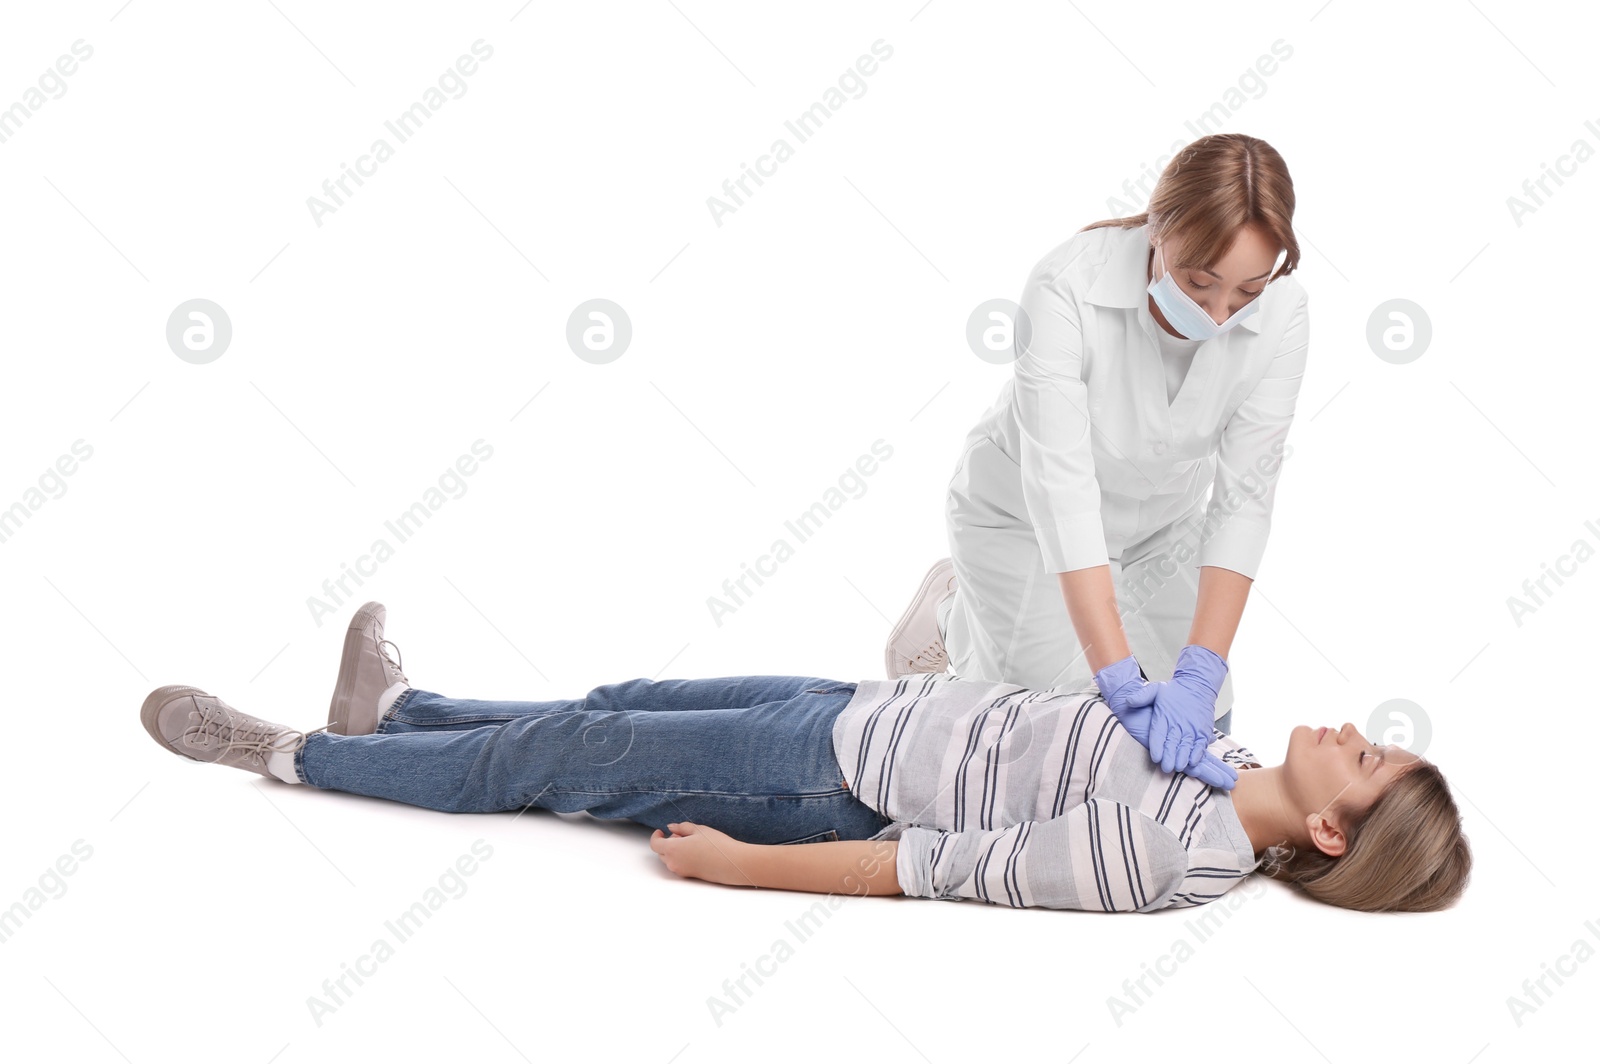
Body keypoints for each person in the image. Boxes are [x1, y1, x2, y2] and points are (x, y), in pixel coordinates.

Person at [140, 602, 1470, 913]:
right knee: (614, 702)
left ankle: (289, 755)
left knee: (559, 758)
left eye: (1369, 763)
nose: (1354, 735)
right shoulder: (1219, 756)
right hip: (862, 709)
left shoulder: (1171, 853)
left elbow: (947, 867)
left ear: (1335, 834)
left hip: (822, 782)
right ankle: (406, 714)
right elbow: (1046, 729)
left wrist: (741, 868)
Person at [888, 134, 1310, 778]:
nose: (1221, 315)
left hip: (1160, 526)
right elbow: (1063, 493)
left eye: (1246, 292)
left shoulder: (1285, 312)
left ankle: (987, 616)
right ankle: (955, 619)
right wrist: (1113, 676)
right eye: (1200, 283)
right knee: (1055, 730)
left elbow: (1244, 498)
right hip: (1024, 520)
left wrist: (1201, 672)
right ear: (1159, 230)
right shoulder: (1066, 286)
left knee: (1210, 725)